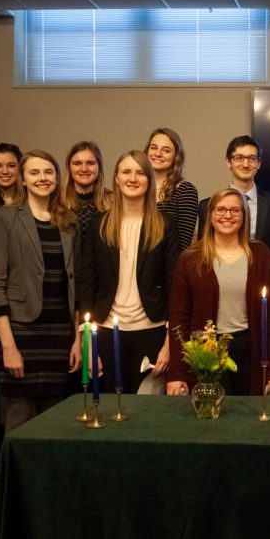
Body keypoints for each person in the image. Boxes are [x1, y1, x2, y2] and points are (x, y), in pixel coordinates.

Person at [0, 151, 78, 430]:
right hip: (20, 332)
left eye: (49, 172)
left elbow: (76, 284)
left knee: (55, 420)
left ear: (57, 177)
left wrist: (77, 339)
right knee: (20, 418)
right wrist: (8, 346)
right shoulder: (7, 217)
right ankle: (15, 475)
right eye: (34, 172)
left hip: (59, 332)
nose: (43, 178)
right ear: (23, 180)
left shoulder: (68, 221)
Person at [78, 150, 180, 395]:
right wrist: (86, 343)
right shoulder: (98, 225)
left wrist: (170, 343)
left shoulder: (165, 224)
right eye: (126, 172)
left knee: (146, 413)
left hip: (151, 331)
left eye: (140, 173)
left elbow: (174, 286)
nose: (133, 178)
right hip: (104, 332)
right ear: (116, 178)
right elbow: (87, 284)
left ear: (149, 180)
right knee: (108, 408)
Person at [168, 188, 270, 396]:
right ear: (210, 216)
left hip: (249, 349)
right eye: (220, 210)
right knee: (210, 418)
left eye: (235, 210)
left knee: (246, 417)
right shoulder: (190, 259)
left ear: (244, 216)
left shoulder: (261, 256)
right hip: (205, 352)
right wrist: (177, 372)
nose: (227, 216)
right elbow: (179, 318)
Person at [197, 135, 270, 252]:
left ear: (259, 163)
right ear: (229, 162)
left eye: (252, 158)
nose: (245, 164)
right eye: (239, 158)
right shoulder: (207, 206)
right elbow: (204, 251)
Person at [146, 127, 198, 255]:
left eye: (166, 150)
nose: (158, 154)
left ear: (176, 157)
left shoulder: (185, 191)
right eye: (153, 147)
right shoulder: (136, 188)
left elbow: (181, 247)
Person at [61, 140, 111, 256]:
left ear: (99, 166)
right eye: (77, 163)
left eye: (90, 163)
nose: (84, 169)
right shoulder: (57, 201)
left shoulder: (114, 201)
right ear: (69, 167)